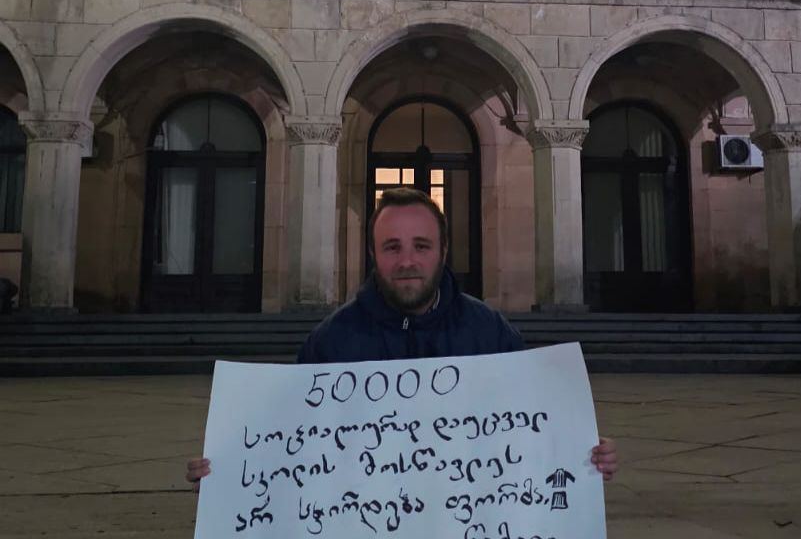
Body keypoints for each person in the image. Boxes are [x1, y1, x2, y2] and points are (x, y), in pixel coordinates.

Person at [187, 187, 618, 485]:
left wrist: (583, 453)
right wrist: (228, 473)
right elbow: (290, 442)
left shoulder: (489, 333)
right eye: (392, 247)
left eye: (421, 246)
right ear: (373, 254)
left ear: (443, 252)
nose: (407, 261)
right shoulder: (331, 343)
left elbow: (534, 426)